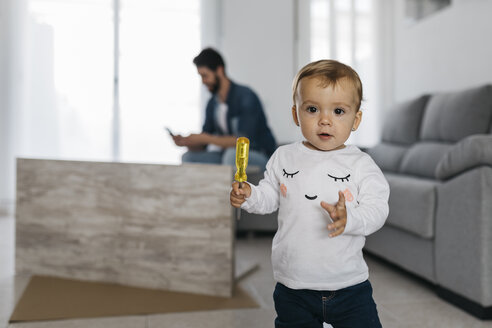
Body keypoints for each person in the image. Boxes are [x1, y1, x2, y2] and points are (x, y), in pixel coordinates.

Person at [230, 59, 389, 328]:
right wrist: (250, 195)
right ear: (296, 114)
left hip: (349, 286)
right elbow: (270, 195)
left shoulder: (361, 165)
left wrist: (350, 218)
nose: (325, 120)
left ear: (356, 119)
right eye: (313, 109)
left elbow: (377, 209)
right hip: (293, 285)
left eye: (339, 111)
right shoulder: (284, 157)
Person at [172, 48, 276, 170]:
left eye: (205, 76)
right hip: (227, 155)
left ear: (219, 70)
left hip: (259, 155)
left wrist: (205, 138)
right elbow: (206, 142)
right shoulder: (212, 103)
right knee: (188, 157)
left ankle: (228, 189)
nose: (203, 81)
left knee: (232, 155)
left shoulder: (245, 96)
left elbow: (243, 141)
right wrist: (188, 142)